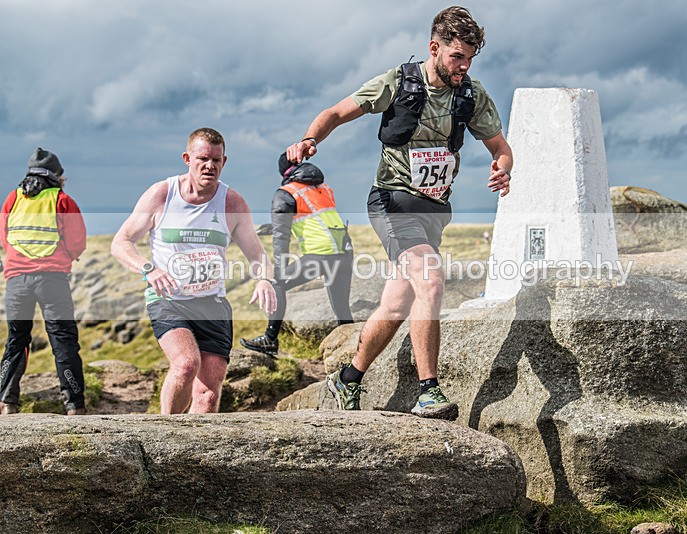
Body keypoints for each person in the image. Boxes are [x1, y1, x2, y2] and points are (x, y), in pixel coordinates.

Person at [286, 6, 513, 420]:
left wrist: (503, 167)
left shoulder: (471, 95)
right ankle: (428, 390)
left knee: (395, 306)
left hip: (434, 210)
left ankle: (348, 379)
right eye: (457, 56)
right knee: (431, 279)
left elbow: (500, 147)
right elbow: (335, 113)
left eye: (469, 58)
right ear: (434, 48)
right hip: (392, 202)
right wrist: (309, 139)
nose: (463, 66)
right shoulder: (399, 82)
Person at [111, 128, 277, 414]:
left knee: (208, 395)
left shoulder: (232, 203)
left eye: (216, 160)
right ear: (187, 159)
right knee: (186, 364)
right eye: (202, 159)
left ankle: (196, 445)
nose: (209, 166)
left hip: (212, 303)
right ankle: (165, 432)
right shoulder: (162, 194)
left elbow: (257, 253)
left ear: (224, 161)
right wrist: (149, 269)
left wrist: (264, 279)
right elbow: (120, 242)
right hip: (168, 300)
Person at [0, 148, 87, 415]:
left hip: (16, 282)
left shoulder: (13, 198)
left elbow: (4, 237)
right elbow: (77, 241)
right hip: (53, 282)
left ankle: (7, 402)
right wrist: (65, 257)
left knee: (16, 340)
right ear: (58, 176)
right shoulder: (62, 200)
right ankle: (74, 406)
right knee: (63, 341)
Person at [240, 152, 353, 355]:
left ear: (282, 172)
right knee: (343, 311)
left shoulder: (285, 193)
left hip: (320, 255)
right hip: (344, 253)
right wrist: (271, 226)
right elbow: (313, 219)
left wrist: (279, 271)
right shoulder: (323, 188)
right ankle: (354, 353)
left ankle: (270, 339)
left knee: (277, 285)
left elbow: (281, 237)